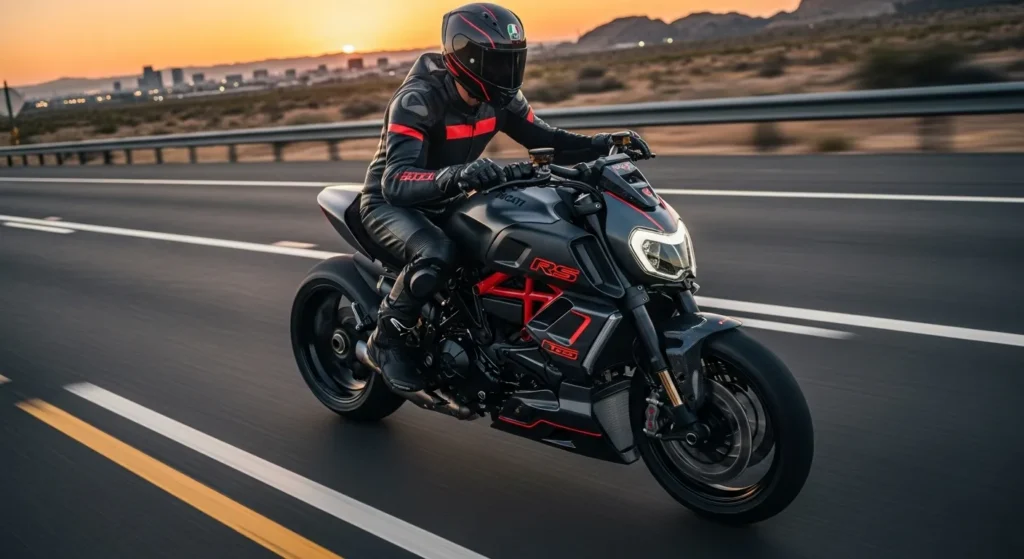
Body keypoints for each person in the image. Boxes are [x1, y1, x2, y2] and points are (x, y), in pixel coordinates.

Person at [360, 2, 653, 393]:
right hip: (392, 203)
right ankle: (387, 341)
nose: (508, 74)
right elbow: (395, 181)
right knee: (437, 253)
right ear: (466, 59)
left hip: (453, 193)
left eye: (514, 61)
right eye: (498, 64)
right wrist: (460, 174)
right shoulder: (418, 100)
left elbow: (547, 141)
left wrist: (604, 145)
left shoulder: (502, 101)